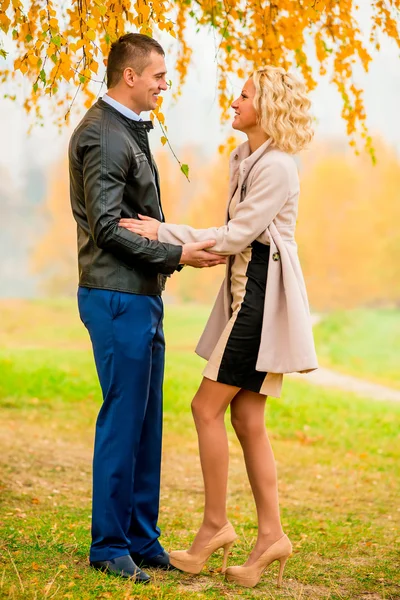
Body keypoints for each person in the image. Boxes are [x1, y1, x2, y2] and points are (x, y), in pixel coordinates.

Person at [119, 65, 318, 588]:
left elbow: (236, 236)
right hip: (242, 296)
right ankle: (271, 534)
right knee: (247, 420)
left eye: (245, 95)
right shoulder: (246, 158)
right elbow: (235, 234)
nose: (235, 100)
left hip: (258, 300)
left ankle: (214, 527)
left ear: (267, 107)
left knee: (205, 407)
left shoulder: (277, 166)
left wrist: (164, 231)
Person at [68, 33, 225, 582]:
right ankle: (109, 546)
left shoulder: (126, 131)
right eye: (158, 75)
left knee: (145, 422)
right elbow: (108, 229)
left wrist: (167, 255)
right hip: (116, 296)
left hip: (140, 294)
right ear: (129, 76)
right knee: (122, 419)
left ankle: (140, 536)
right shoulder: (105, 136)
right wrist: (176, 252)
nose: (164, 84)